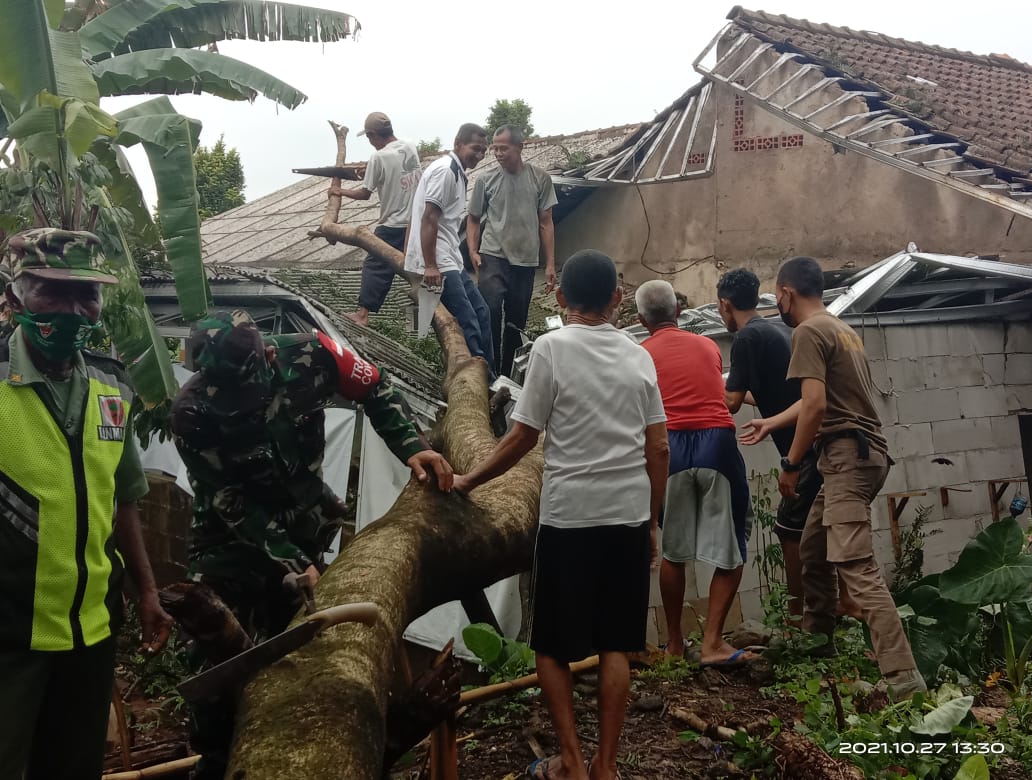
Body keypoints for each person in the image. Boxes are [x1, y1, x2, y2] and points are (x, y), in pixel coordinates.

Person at [171, 310, 454, 779]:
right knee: (217, 670)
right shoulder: (191, 412)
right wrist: (291, 559)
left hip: (303, 525)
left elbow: (376, 388)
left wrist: (412, 445)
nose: (244, 404)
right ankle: (217, 761)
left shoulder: (314, 354)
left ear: (266, 353)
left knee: (296, 657)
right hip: (230, 544)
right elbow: (228, 499)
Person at [453, 250, 669, 780]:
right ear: (618, 300)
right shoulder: (639, 355)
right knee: (616, 643)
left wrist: (468, 479)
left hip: (570, 519)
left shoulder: (550, 348)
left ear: (559, 298)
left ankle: (571, 761)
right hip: (625, 517)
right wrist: (651, 520)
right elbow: (659, 448)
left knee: (550, 647)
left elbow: (523, 435)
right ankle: (607, 766)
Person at [0, 228, 172, 779]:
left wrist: (146, 591)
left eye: (87, 295)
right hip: (9, 635)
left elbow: (124, 500)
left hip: (91, 633)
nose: (74, 310)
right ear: (14, 297)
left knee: (73, 767)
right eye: (54, 292)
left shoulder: (111, 385)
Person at [772, 256, 925, 700]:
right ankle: (817, 645)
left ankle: (903, 680)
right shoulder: (841, 329)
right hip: (863, 454)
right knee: (815, 545)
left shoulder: (805, 331)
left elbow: (816, 405)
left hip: (845, 457)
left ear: (786, 292)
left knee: (857, 567)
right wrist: (772, 425)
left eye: (778, 295)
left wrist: (791, 463)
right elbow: (817, 400)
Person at [720, 269, 861, 624]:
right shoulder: (780, 330)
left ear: (724, 305)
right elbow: (770, 394)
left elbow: (732, 401)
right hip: (826, 442)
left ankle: (802, 613)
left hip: (806, 448)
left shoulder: (746, 339)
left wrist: (698, 396)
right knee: (824, 526)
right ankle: (836, 603)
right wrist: (767, 417)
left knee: (790, 529)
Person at [636, 280, 753, 666]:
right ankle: (712, 643)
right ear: (679, 313)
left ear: (640, 320)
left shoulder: (638, 355)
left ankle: (674, 643)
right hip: (716, 443)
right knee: (732, 551)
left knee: (674, 551)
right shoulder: (707, 346)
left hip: (669, 449)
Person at [404, 123, 495, 378]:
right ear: (458, 144)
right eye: (475, 148)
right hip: (439, 259)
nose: (479, 155)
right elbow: (428, 218)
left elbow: (419, 214)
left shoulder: (457, 172)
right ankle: (480, 378)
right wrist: (429, 265)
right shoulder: (445, 171)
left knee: (482, 312)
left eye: (483, 151)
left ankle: (492, 373)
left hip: (450, 255)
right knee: (468, 319)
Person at [467, 125, 557, 378]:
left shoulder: (540, 178)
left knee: (516, 322)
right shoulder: (486, 179)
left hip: (526, 260)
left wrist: (550, 264)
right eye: (495, 148)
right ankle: (488, 369)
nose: (497, 153)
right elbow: (473, 219)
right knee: (490, 310)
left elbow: (546, 221)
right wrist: (473, 251)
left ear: (519, 147)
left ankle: (509, 374)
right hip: (493, 255)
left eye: (503, 148)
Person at [329, 112, 422, 327]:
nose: (370, 143)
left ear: (373, 135)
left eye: (369, 138)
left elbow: (364, 194)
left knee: (374, 265)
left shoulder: (378, 158)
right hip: (415, 222)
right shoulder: (409, 146)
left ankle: (362, 315)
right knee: (407, 267)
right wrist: (369, 170)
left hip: (393, 224)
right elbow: (396, 170)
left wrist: (339, 191)